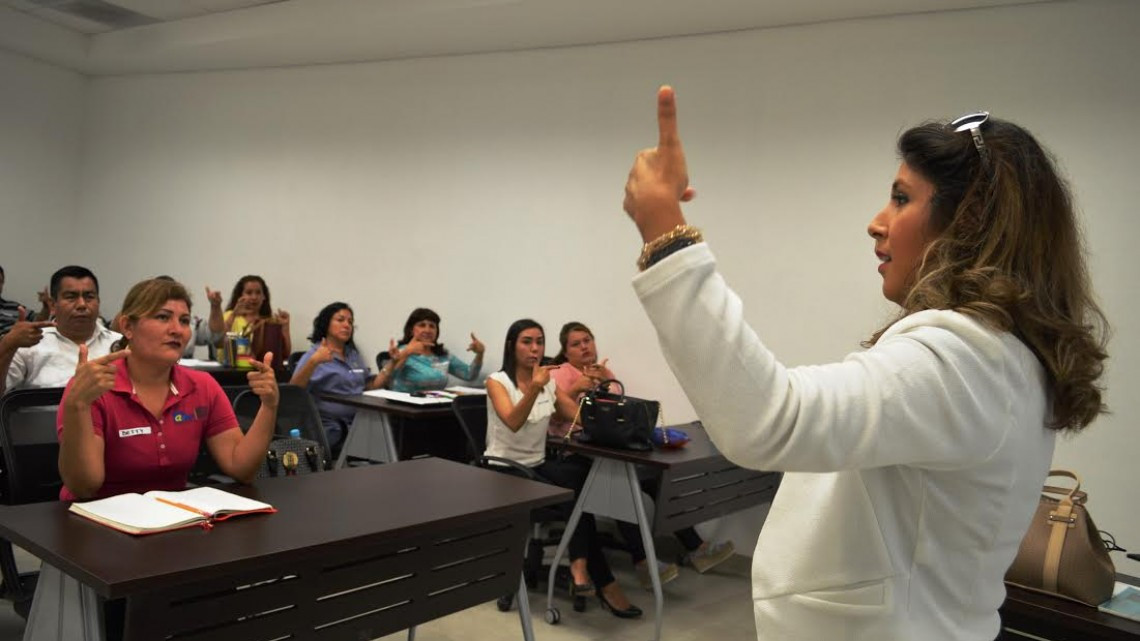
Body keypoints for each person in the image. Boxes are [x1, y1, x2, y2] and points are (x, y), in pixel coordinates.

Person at [622, 86, 1108, 640]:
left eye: (902, 199)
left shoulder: (966, 359)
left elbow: (768, 419)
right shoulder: (995, 356)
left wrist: (665, 234)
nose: (877, 222)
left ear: (967, 224)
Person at [550, 321, 736, 589]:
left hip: (608, 450)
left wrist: (604, 383)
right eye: (576, 344)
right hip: (573, 451)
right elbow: (555, 414)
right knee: (621, 485)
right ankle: (643, 562)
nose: (584, 347)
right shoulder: (560, 374)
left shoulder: (605, 373)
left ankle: (696, 547)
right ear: (566, 352)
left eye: (587, 340)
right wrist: (577, 387)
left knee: (656, 478)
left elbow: (618, 416)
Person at [57, 277, 279, 500]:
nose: (177, 330)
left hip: (173, 518)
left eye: (184, 321)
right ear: (127, 327)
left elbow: (241, 468)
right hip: (95, 520)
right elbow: (84, 487)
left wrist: (268, 407)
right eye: (163, 317)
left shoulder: (202, 386)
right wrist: (77, 406)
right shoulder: (93, 387)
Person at [485, 319, 641, 618]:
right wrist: (535, 387)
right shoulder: (497, 381)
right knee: (574, 494)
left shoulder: (548, 383)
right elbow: (513, 421)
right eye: (527, 341)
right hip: (504, 470)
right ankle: (602, 580)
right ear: (511, 346)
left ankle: (582, 567)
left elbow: (580, 417)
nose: (535, 348)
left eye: (539, 342)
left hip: (537, 465)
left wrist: (619, 419)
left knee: (582, 481)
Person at [291, 302, 394, 455]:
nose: (347, 325)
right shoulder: (314, 354)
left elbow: (369, 387)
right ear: (326, 324)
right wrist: (314, 361)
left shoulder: (353, 355)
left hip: (361, 423)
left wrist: (394, 362)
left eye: (350, 322)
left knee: (394, 435)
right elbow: (293, 391)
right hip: (330, 426)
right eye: (340, 320)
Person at [0, 265, 120, 395]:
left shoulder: (120, 344)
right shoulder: (29, 346)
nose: (82, 304)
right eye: (71, 297)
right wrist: (7, 345)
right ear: (53, 304)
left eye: (89, 296)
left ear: (98, 301)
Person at [385, 308, 484, 393]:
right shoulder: (402, 352)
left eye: (432, 326)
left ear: (437, 331)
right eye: (422, 325)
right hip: (405, 410)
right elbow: (388, 378)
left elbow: (469, 375)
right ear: (411, 330)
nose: (427, 330)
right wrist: (407, 352)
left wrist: (480, 354)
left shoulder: (442, 354)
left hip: (435, 408)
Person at [223, 274, 291, 356]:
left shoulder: (269, 322)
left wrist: (285, 328)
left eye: (258, 293)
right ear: (240, 296)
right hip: (232, 367)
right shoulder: (229, 315)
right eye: (249, 293)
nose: (254, 297)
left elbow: (285, 354)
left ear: (264, 296)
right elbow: (219, 341)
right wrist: (233, 315)